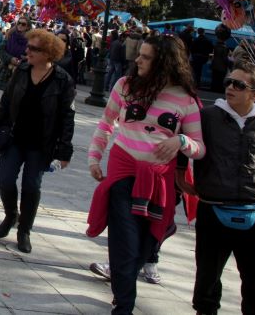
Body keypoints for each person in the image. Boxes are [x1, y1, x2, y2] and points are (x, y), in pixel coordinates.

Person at [86, 35, 205, 315]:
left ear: (164, 63)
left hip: (159, 183)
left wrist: (182, 142)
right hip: (123, 172)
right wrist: (94, 156)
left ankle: (122, 286)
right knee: (125, 242)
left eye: (146, 56)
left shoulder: (186, 100)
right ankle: (124, 306)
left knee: (145, 245)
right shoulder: (124, 86)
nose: (137, 60)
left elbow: (199, 148)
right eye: (139, 54)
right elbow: (106, 123)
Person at [190, 63, 255, 315]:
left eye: (239, 84)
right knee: (207, 280)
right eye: (228, 82)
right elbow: (187, 144)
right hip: (213, 209)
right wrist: (181, 176)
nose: (230, 87)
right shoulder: (207, 117)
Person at [0, 29, 76, 254]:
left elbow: (67, 117)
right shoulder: (22, 71)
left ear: (48, 53)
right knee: (5, 179)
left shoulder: (63, 80)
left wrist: (64, 151)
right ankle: (10, 215)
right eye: (28, 47)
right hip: (15, 138)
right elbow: (6, 101)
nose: (27, 51)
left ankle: (24, 230)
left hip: (41, 144)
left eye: (33, 49)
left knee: (31, 186)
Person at [0, 18, 30, 91]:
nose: (20, 25)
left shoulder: (30, 40)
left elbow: (32, 56)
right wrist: (10, 59)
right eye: (19, 23)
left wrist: (23, 60)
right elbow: (0, 50)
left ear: (28, 27)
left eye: (23, 24)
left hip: (20, 72)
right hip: (6, 69)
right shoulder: (10, 35)